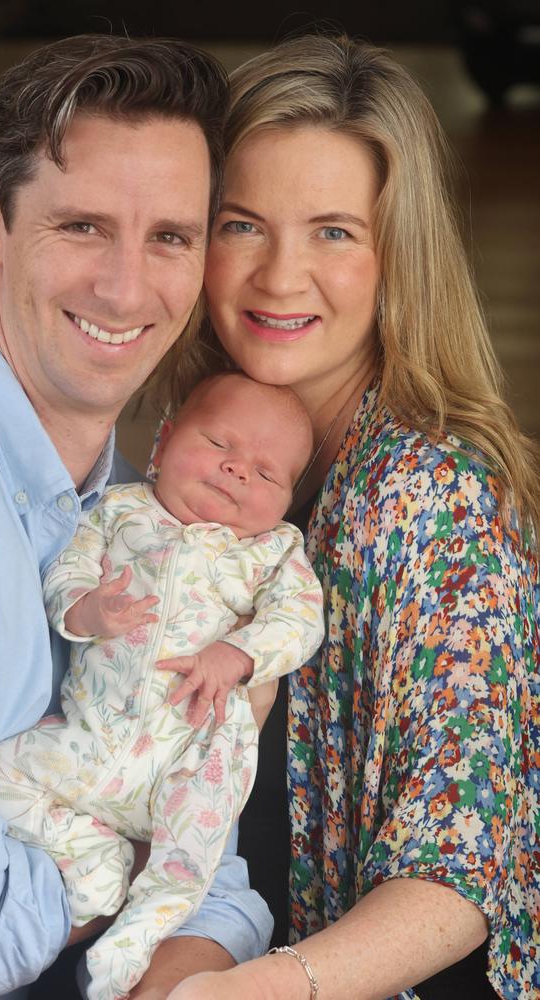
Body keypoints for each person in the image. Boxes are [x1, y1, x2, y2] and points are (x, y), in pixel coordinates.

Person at [147, 33, 540, 1000]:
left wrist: (244, 992)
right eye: (243, 225)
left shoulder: (437, 498)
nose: (280, 277)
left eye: (334, 231)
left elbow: (458, 875)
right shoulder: (192, 445)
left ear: (396, 255)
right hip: (205, 926)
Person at [0, 35, 276, 1000]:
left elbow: (224, 888)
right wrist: (150, 878)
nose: (126, 288)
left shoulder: (140, 511)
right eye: (83, 226)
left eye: (170, 237)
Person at [0, 372, 324, 1000]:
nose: (236, 472)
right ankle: (94, 858)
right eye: (219, 444)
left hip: (191, 757)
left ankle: (131, 944)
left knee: (187, 864)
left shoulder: (274, 553)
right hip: (93, 742)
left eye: (265, 473)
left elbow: (300, 618)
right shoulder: (120, 510)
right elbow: (68, 568)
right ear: (166, 438)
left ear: (286, 501)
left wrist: (238, 653)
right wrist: (83, 611)